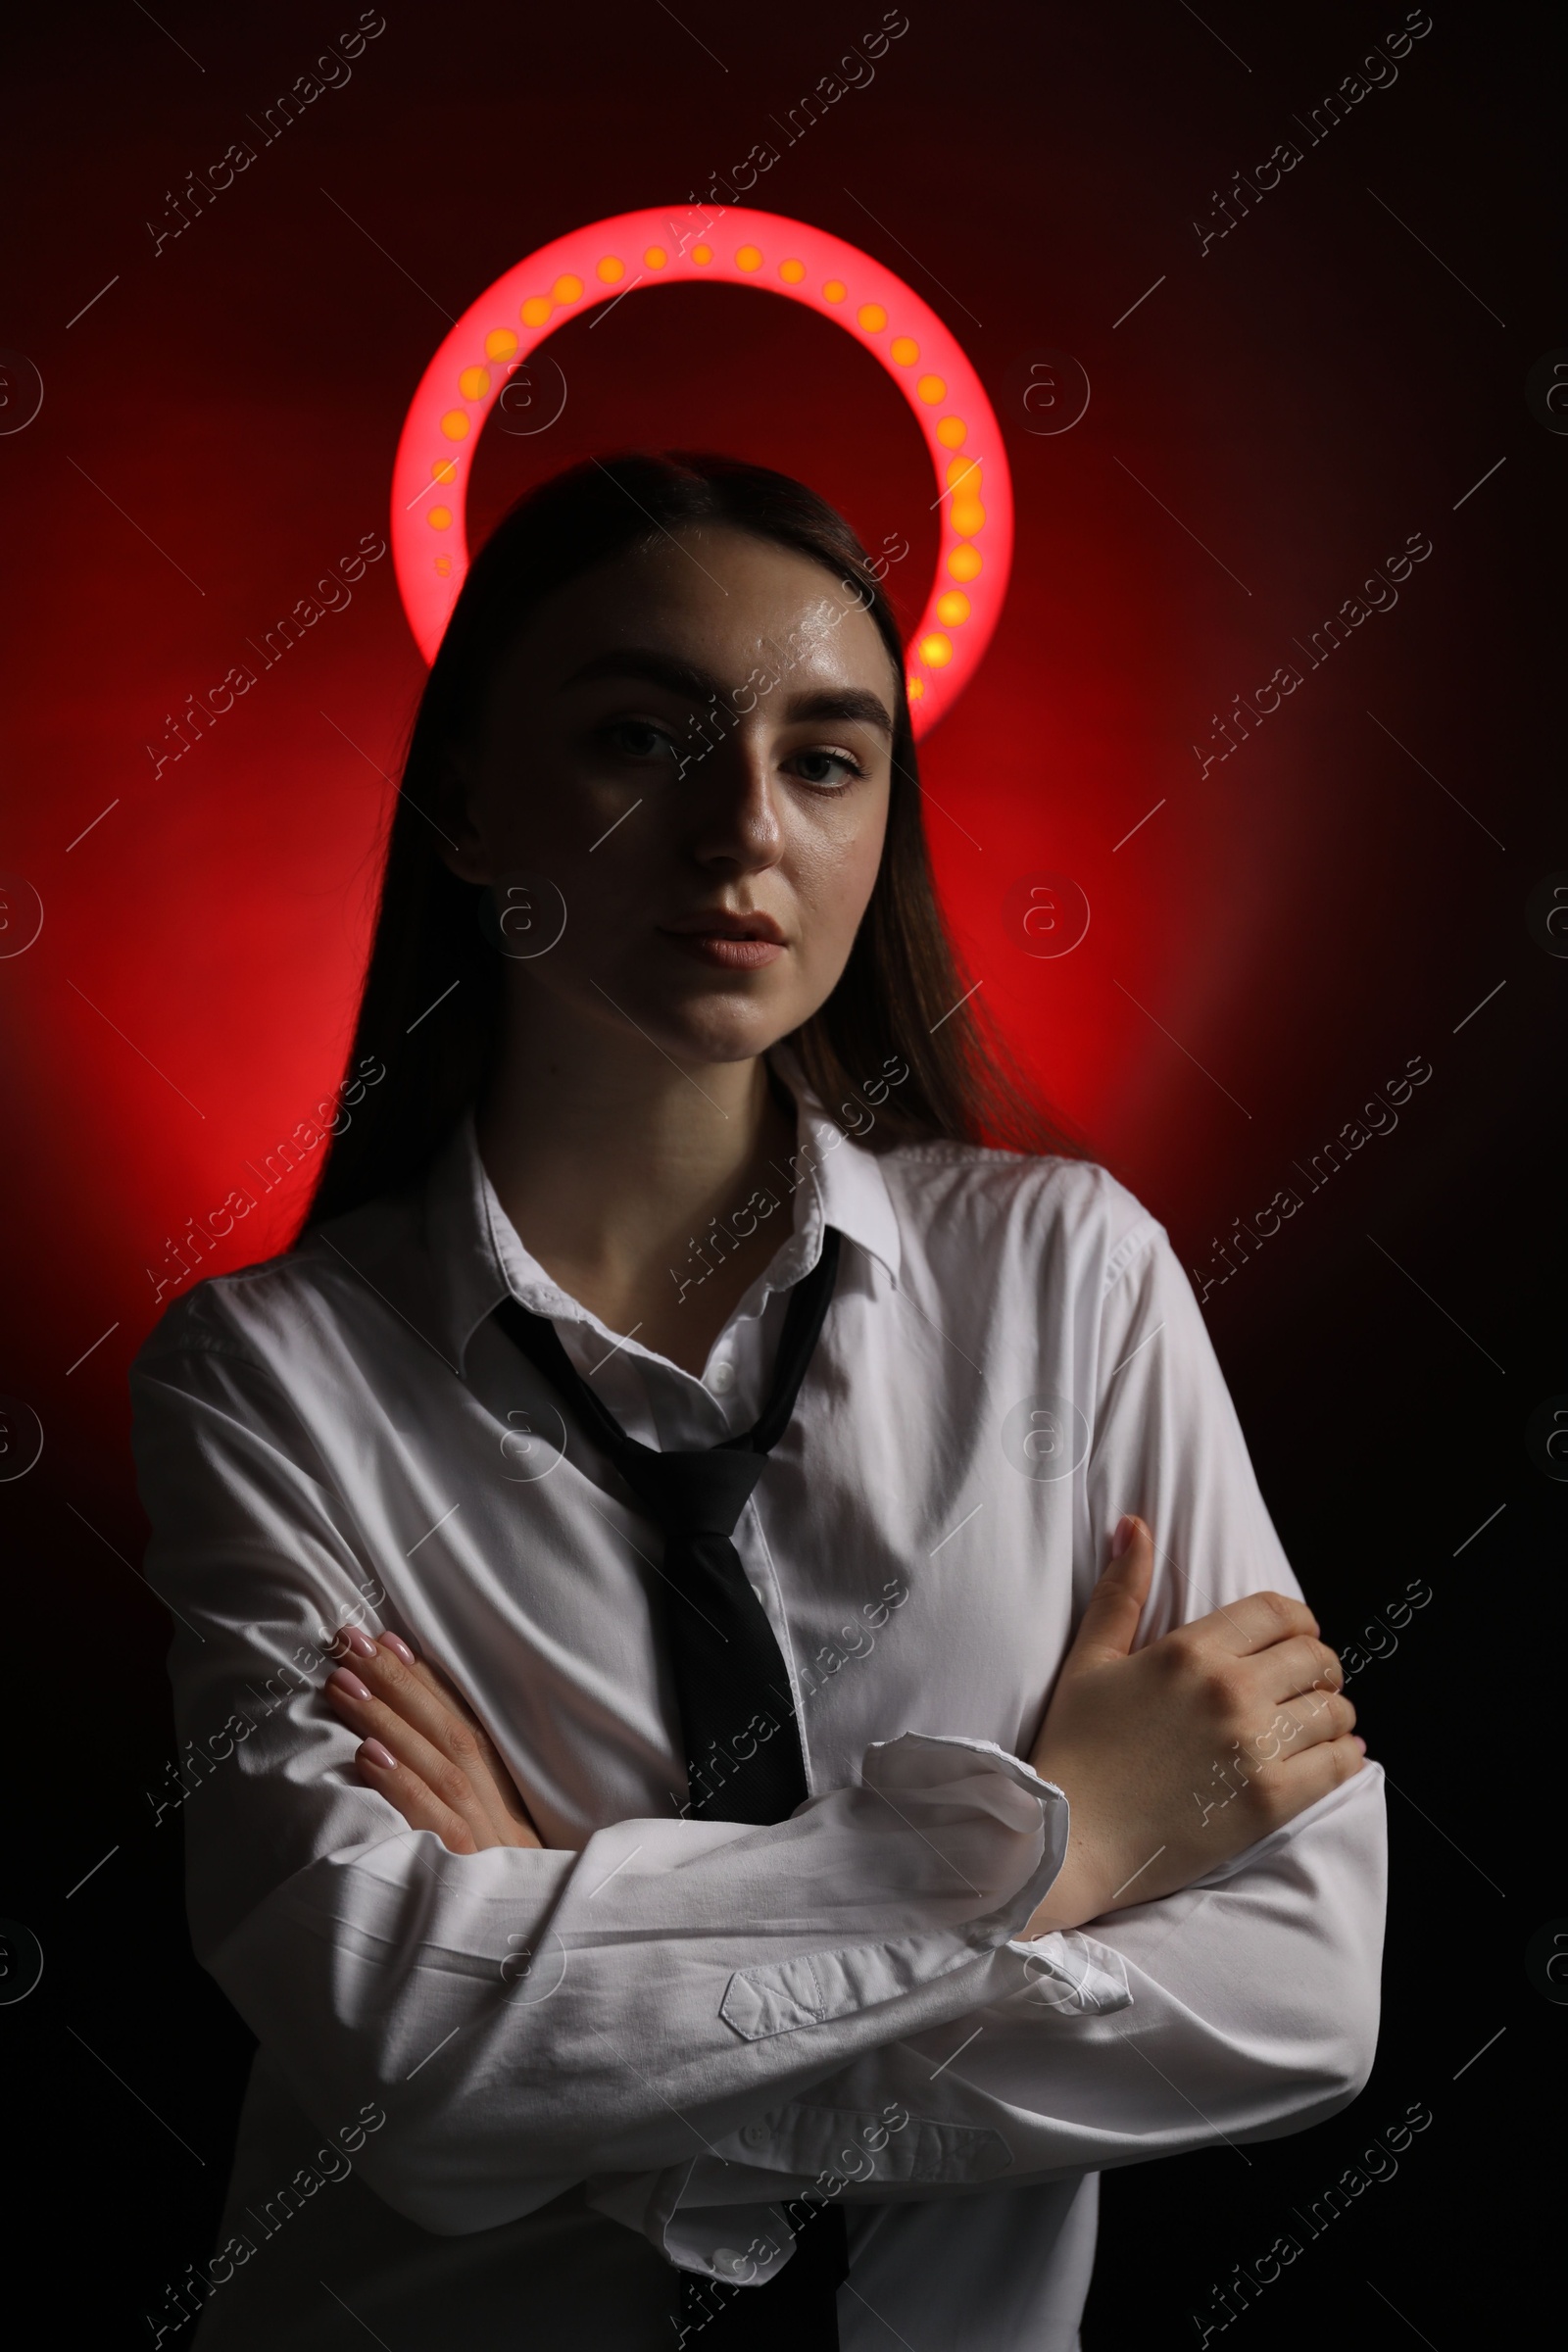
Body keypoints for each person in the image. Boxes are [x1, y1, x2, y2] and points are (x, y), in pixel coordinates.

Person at [129, 452, 1385, 2351]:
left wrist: (575, 1984)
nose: (743, 834)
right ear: (464, 798)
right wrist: (1057, 1848)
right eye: (643, 734)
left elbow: (1296, 1989)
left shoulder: (1070, 1282)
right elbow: (389, 2047)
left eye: (824, 758)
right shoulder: (265, 1381)